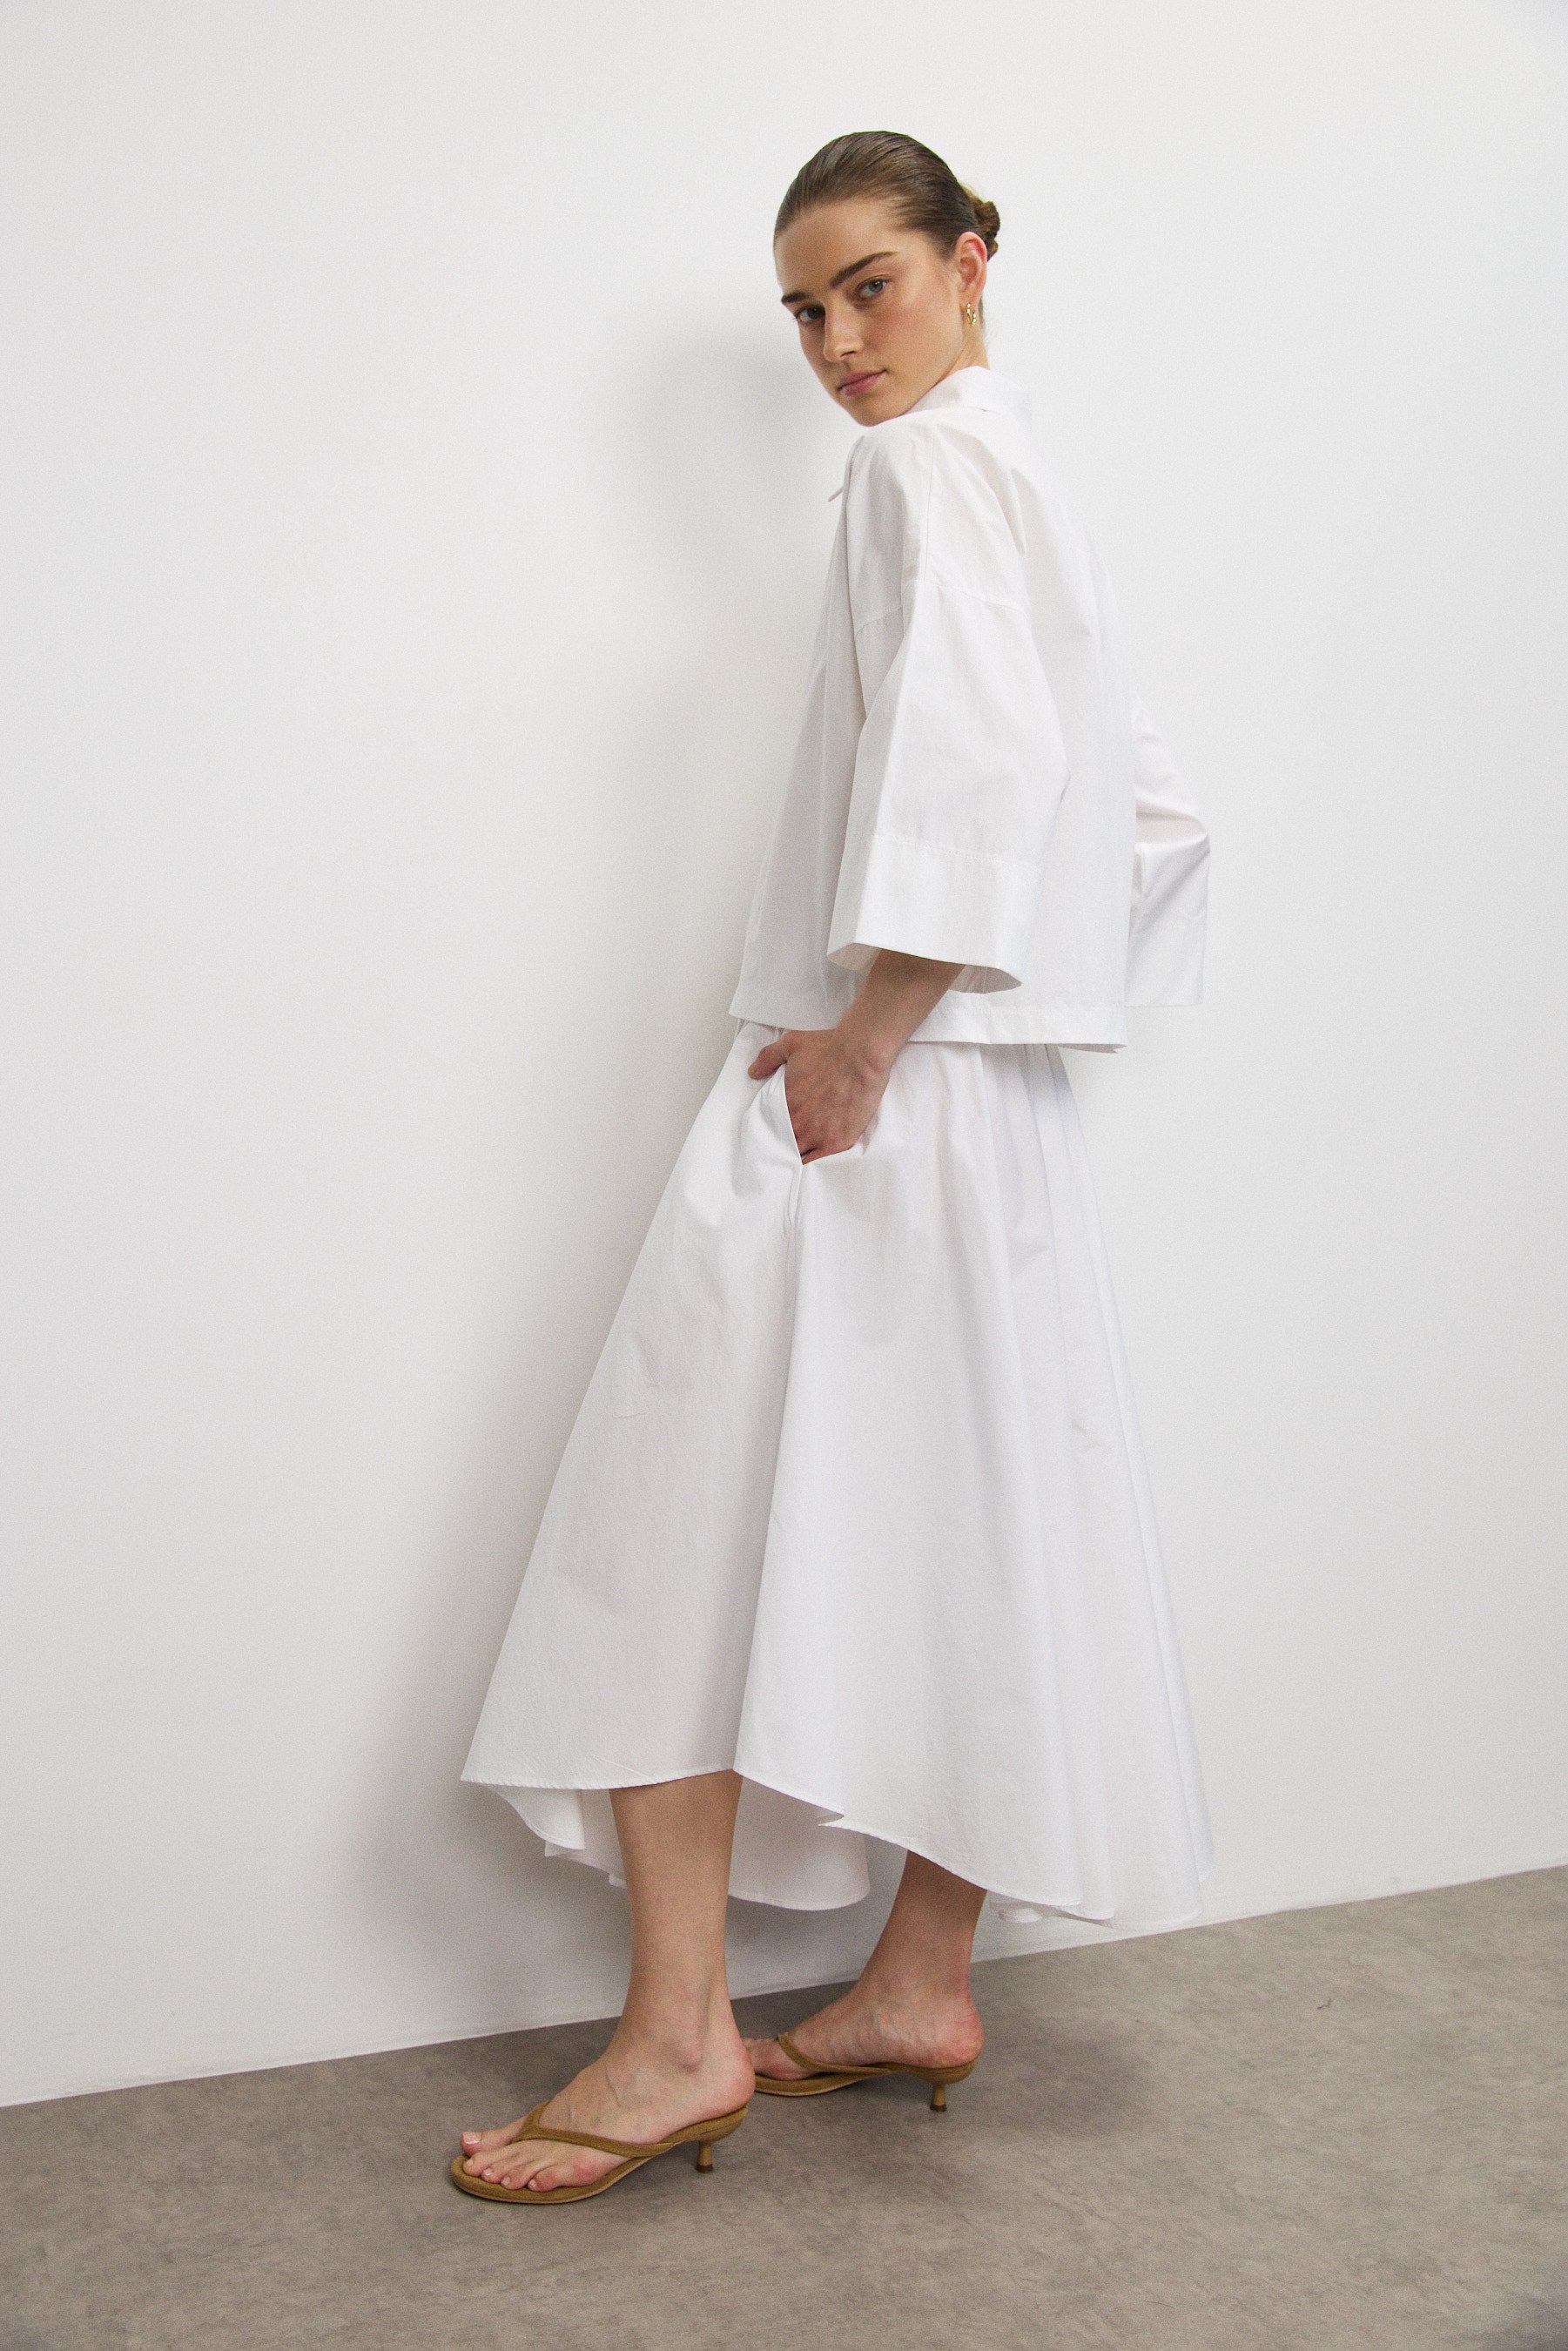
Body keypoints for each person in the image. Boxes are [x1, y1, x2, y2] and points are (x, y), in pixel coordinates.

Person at [452, 130, 1213, 2206]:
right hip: (985, 1118)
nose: (835, 341)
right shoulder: (1025, 472)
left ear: (973, 259)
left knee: (658, 1529)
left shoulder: (923, 468)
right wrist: (999, 1015)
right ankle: (917, 1985)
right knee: (972, 1524)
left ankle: (677, 2036)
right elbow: (1149, 817)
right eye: (803, 311)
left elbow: (984, 766)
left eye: (870, 283)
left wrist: (873, 1033)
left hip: (861, 1090)